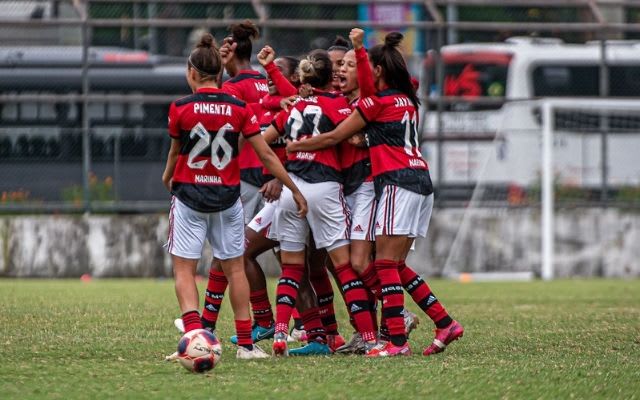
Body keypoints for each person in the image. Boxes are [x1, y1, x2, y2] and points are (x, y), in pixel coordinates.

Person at [287, 31, 464, 357]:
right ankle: (437, 322)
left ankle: (395, 337)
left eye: (350, 65)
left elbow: (337, 135)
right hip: (413, 180)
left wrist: (296, 145)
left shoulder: (373, 101)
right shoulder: (400, 97)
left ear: (372, 71)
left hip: (391, 183)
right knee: (391, 265)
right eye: (338, 66)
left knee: (373, 262)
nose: (341, 70)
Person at [162, 33, 307, 360]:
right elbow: (267, 155)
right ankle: (246, 345)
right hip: (227, 197)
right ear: (220, 74)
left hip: (189, 197)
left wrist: (167, 177)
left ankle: (194, 338)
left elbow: (174, 153)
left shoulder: (180, 108)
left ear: (192, 73)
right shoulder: (239, 107)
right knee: (235, 269)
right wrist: (294, 188)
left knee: (185, 270)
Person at [262, 48, 378, 356]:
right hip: (324, 186)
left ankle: (280, 335)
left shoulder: (292, 106)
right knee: (342, 266)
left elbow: (261, 138)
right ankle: (369, 336)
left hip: (291, 188)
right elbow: (352, 129)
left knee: (290, 268)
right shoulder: (338, 104)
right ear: (330, 78)